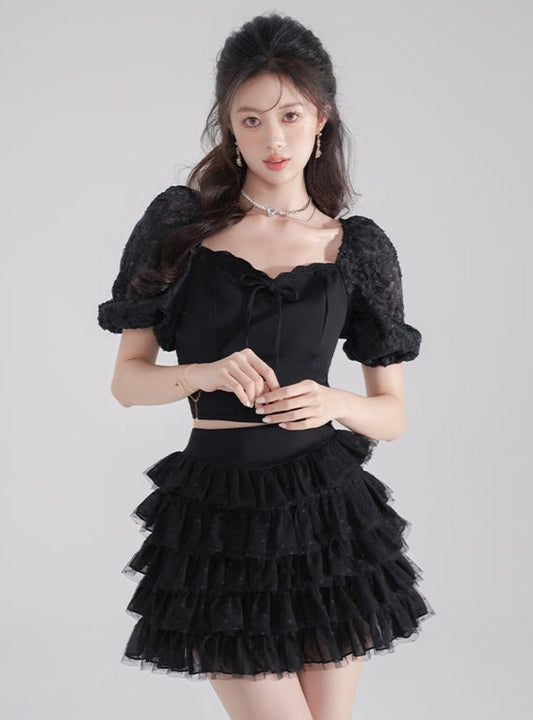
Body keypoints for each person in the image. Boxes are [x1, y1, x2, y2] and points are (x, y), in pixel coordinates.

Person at [97, 12, 435, 720]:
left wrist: (332, 402)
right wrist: (203, 374)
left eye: (289, 116)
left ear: (322, 119)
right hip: (218, 515)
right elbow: (127, 382)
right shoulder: (180, 227)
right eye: (250, 120)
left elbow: (392, 414)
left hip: (327, 512)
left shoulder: (357, 246)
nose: (272, 139)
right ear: (228, 126)